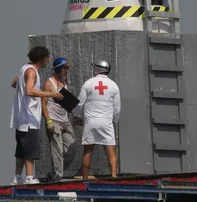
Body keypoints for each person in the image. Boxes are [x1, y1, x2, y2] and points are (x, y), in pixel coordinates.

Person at [10, 46, 64, 185]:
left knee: (21, 150)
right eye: (47, 57)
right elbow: (29, 91)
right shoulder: (32, 72)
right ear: (42, 58)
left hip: (21, 118)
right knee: (30, 149)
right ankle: (29, 177)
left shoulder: (24, 69)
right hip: (28, 117)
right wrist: (50, 93)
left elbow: (14, 83)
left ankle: (18, 178)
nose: (48, 60)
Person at [73, 59, 121, 179]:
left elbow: (80, 103)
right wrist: (114, 121)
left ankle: (85, 179)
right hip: (106, 122)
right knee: (111, 151)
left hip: (91, 122)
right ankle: (114, 176)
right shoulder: (113, 85)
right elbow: (117, 108)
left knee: (87, 151)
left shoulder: (89, 83)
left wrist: (76, 115)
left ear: (97, 69)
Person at [41, 58, 77, 181]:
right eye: (64, 68)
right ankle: (57, 177)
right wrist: (48, 121)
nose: (67, 71)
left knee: (72, 149)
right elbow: (43, 104)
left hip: (65, 121)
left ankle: (53, 173)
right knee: (57, 149)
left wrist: (74, 115)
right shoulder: (49, 83)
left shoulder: (64, 83)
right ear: (58, 68)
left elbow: (66, 103)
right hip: (54, 121)